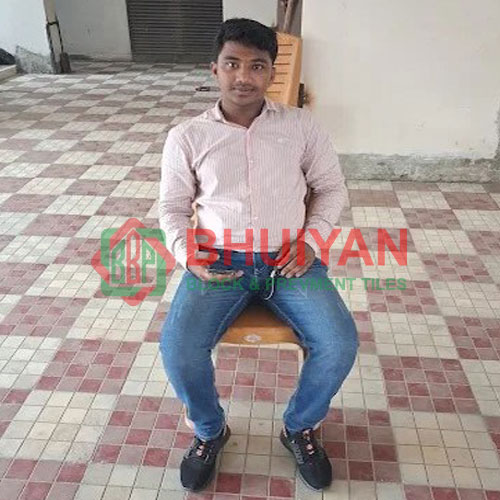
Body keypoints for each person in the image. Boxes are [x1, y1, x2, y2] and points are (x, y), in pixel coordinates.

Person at [158, 18, 359, 493]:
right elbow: (171, 208)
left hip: (289, 260)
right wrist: (189, 255)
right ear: (214, 68)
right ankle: (210, 431)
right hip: (218, 263)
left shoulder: (301, 127)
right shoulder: (187, 136)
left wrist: (310, 243)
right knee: (178, 349)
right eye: (232, 64)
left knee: (339, 343)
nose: (243, 76)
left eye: (257, 66)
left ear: (271, 72)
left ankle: (299, 427)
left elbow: (331, 189)